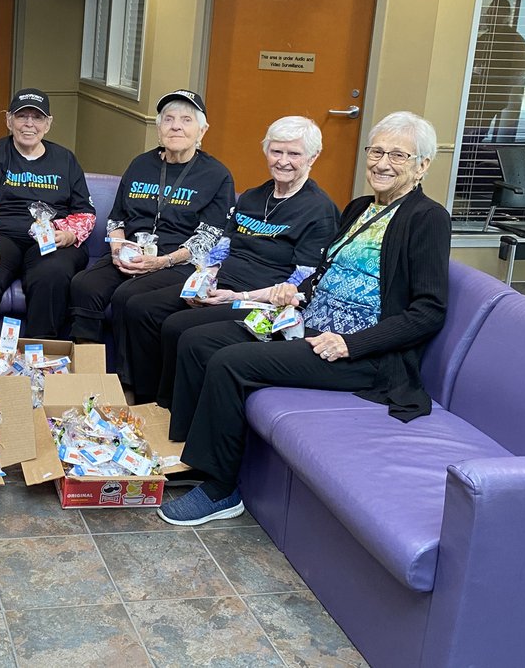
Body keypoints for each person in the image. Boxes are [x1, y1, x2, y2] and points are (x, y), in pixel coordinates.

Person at [160, 112, 448, 527]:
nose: (382, 163)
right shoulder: (361, 207)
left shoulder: (427, 218)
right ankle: (195, 458)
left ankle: (222, 490)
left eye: (398, 155)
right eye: (377, 151)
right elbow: (325, 272)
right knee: (197, 341)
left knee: (230, 363)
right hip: (305, 323)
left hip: (360, 355)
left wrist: (351, 343)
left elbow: (429, 311)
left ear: (422, 165)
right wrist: (293, 295)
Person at [118, 116, 340, 406]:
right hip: (222, 283)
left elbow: (302, 281)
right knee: (140, 307)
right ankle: (145, 400)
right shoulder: (251, 196)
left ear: (313, 157)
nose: (283, 161)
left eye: (294, 154)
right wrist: (204, 277)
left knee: (177, 326)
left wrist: (236, 296)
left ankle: (171, 409)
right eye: (276, 151)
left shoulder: (319, 210)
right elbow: (222, 249)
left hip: (262, 299)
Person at [68, 90, 234, 381]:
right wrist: (118, 248)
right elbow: (117, 218)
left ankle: (129, 385)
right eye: (168, 119)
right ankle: (87, 373)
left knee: (127, 297)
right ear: (158, 128)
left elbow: (210, 237)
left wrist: (162, 262)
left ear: (202, 130)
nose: (176, 126)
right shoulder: (140, 164)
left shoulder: (216, 175)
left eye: (186, 119)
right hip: (130, 252)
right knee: (84, 284)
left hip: (178, 261)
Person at [0, 89, 95, 338]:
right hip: (2, 235)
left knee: (52, 274)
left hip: (52, 239)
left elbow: (85, 212)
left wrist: (69, 235)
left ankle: (39, 355)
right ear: (9, 120)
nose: (29, 124)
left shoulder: (65, 159)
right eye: (22, 116)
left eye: (37, 117)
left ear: (48, 123)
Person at [468, 0, 525, 143]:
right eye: (489, 12)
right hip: (478, 93)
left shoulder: (515, 41)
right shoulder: (486, 38)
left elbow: (522, 70)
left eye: (495, 13)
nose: (489, 16)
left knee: (477, 130)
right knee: (472, 130)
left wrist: (498, 77)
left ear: (506, 16)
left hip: (494, 94)